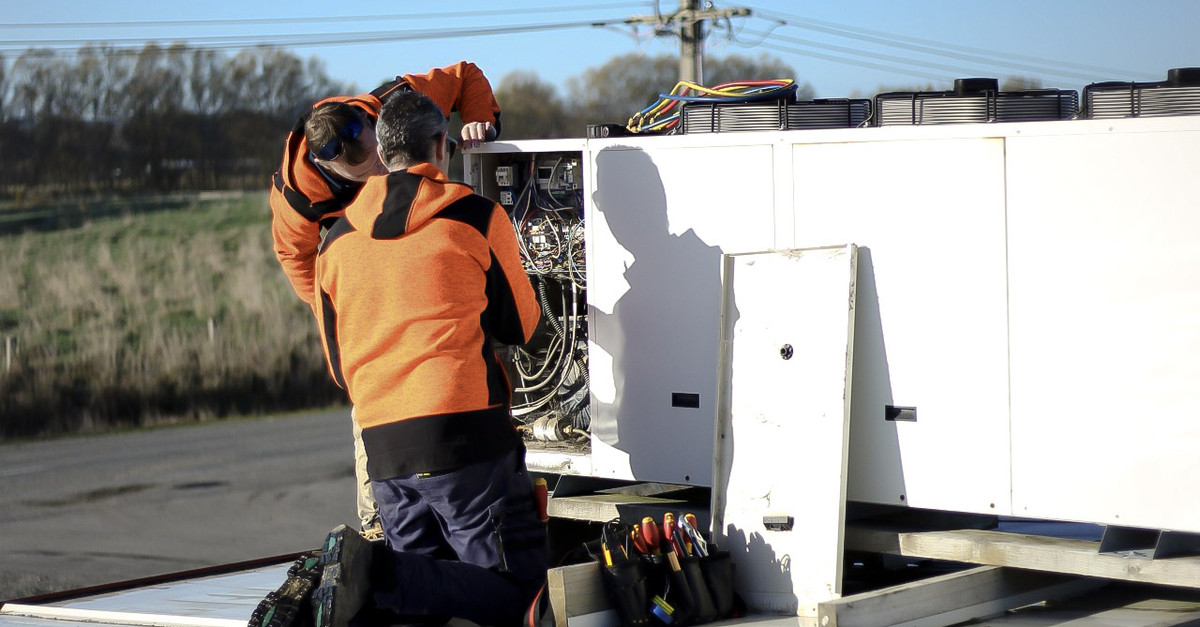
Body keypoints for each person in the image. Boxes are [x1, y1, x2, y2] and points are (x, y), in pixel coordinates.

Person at [309, 90, 546, 627]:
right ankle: (379, 577)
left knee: (427, 606)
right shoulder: (474, 215)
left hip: (385, 450)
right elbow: (523, 327)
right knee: (520, 595)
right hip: (468, 440)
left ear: (383, 152)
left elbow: (338, 367)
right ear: (442, 144)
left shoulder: (334, 243)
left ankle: (389, 583)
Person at [268, 61, 502, 537]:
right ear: (329, 167)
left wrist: (481, 120)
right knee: (370, 397)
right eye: (367, 170)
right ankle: (377, 525)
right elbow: (297, 262)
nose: (384, 170)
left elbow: (465, 76)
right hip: (364, 277)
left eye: (381, 156)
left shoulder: (395, 98)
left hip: (429, 246)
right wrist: (352, 315)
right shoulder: (298, 197)